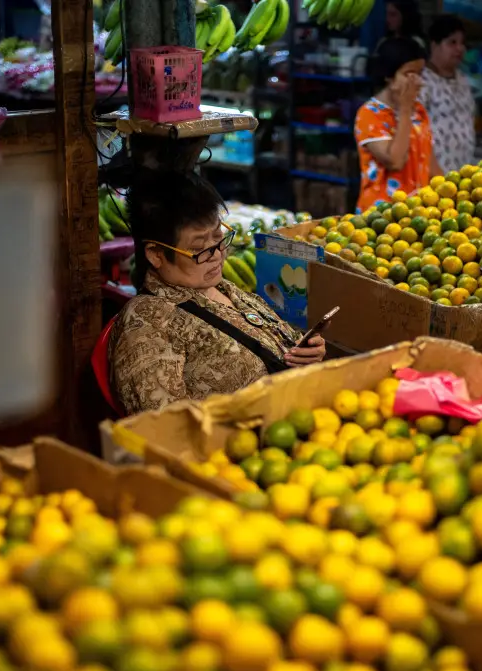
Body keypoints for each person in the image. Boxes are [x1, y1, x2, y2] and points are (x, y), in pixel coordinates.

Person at [109, 172, 326, 415]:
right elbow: (166, 428)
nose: (217, 255)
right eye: (198, 249)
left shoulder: (223, 288)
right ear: (156, 254)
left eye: (218, 237)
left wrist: (305, 351)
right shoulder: (149, 322)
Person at [354, 37, 442, 212]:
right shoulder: (369, 114)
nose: (417, 82)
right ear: (389, 76)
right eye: (409, 74)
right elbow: (395, 161)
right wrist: (405, 109)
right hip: (381, 217)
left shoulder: (418, 111)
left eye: (420, 73)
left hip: (418, 213)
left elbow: (430, 164)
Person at [421, 15, 476, 174]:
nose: (460, 49)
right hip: (433, 178)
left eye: (462, 43)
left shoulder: (463, 80)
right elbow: (415, 135)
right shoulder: (421, 82)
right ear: (434, 45)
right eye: (452, 43)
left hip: (462, 174)